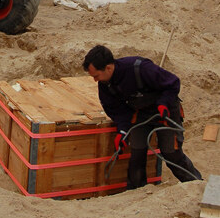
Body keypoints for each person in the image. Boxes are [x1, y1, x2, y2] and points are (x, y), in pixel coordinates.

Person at [82, 45, 202, 189]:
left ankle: (196, 185)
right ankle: (137, 191)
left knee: (170, 152)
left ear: (108, 68)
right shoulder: (105, 85)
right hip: (142, 114)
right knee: (137, 151)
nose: (95, 80)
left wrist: (164, 104)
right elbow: (118, 112)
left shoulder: (140, 69)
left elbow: (173, 83)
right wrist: (122, 131)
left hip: (165, 111)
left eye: (96, 76)